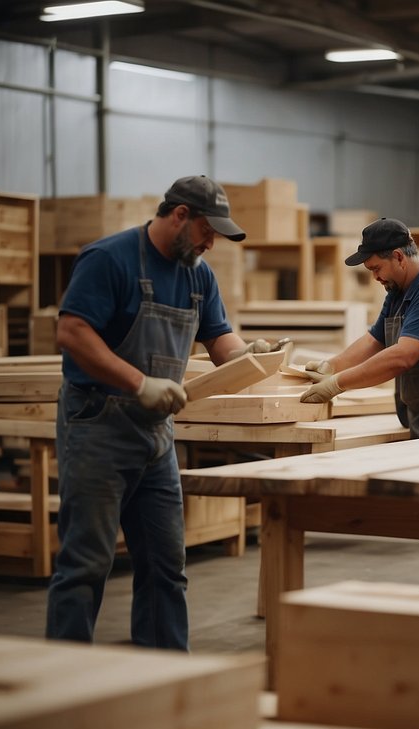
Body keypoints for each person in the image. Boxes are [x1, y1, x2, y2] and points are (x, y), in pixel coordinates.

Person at [47, 175, 274, 650]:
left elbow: (218, 339)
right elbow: (72, 333)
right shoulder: (110, 259)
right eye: (208, 231)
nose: (212, 242)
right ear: (179, 216)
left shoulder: (198, 273)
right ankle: (59, 681)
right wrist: (137, 382)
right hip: (98, 427)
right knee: (85, 565)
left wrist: (249, 356)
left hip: (155, 437)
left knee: (166, 567)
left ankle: (165, 675)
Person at [301, 218, 419, 439]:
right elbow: (376, 339)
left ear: (399, 257)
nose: (374, 277)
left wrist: (337, 384)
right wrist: (331, 366)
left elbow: (403, 356)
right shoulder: (398, 292)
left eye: (376, 268)